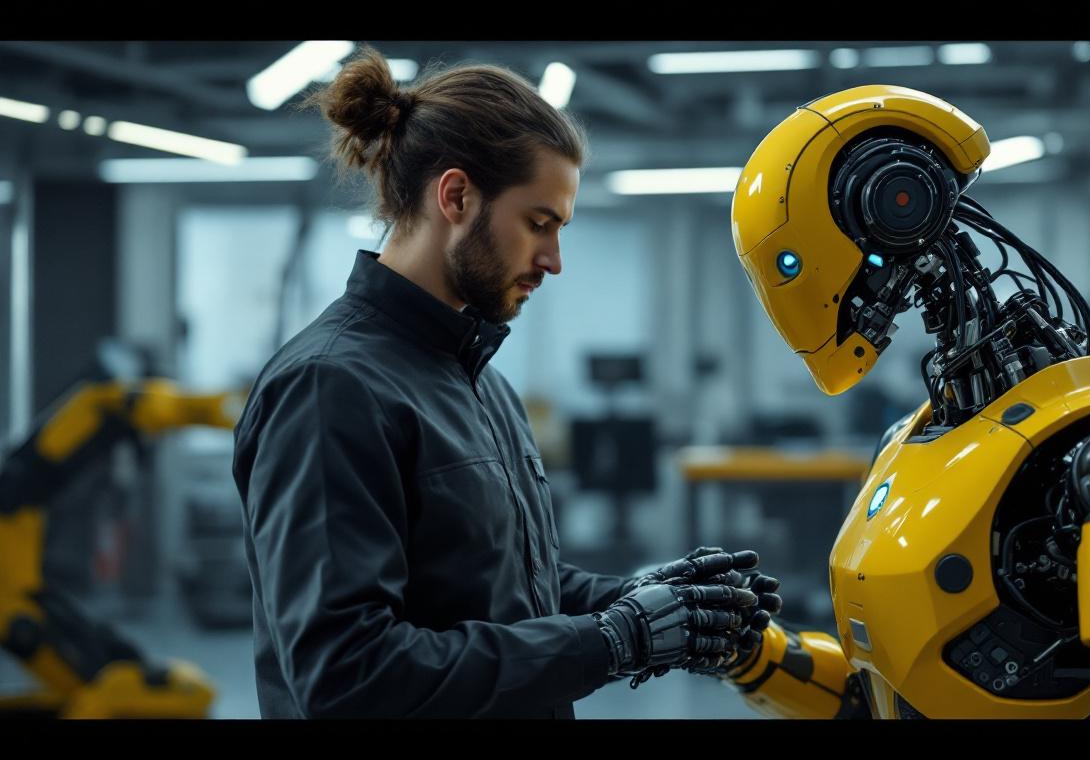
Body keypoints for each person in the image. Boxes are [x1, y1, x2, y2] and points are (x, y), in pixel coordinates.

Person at [231, 45, 780, 719]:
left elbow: (497, 593)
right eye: (539, 224)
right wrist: (607, 644)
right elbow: (347, 673)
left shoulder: (481, 382)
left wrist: (633, 599)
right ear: (456, 196)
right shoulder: (329, 388)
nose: (553, 260)